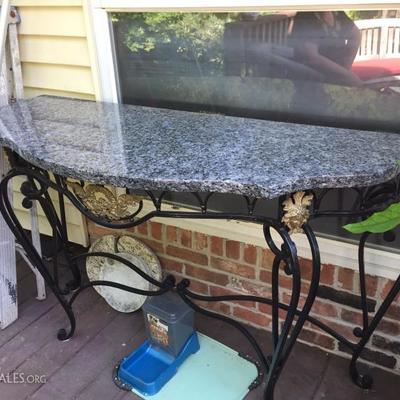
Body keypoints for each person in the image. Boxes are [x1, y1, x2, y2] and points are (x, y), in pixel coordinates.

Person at [290, 11, 363, 86]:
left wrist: (346, 65)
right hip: (313, 82)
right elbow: (311, 57)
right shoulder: (306, 16)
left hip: (336, 80)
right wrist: (346, 75)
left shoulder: (336, 13)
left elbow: (356, 35)